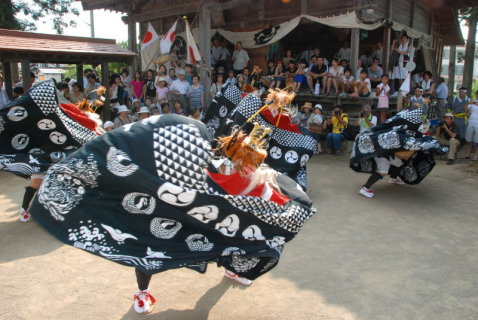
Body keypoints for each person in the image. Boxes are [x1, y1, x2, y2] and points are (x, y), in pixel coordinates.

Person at [463, 95, 478, 160]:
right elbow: (466, 109)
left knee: (477, 141)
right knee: (468, 140)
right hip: (471, 123)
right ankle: (467, 154)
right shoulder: (473, 101)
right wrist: (468, 103)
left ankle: (476, 155)